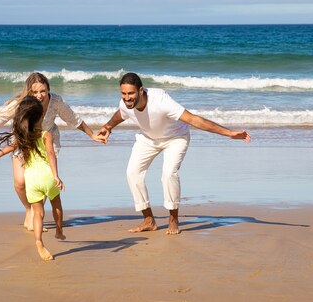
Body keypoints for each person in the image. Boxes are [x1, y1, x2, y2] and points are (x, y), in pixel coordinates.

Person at [97, 72, 251, 235]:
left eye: (131, 93)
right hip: (148, 139)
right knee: (132, 173)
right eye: (124, 94)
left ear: (141, 91)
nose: (127, 98)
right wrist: (107, 127)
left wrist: (229, 133)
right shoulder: (125, 103)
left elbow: (193, 119)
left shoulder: (161, 101)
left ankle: (173, 219)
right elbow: (120, 114)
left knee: (169, 174)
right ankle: (149, 220)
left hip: (176, 138)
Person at [0, 72, 105, 230]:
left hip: (46, 141)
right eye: (34, 92)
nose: (39, 95)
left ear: (48, 89)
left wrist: (92, 135)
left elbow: (73, 119)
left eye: (43, 91)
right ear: (28, 92)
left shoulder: (56, 101)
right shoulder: (20, 103)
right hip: (22, 140)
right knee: (20, 182)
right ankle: (29, 209)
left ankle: (36, 216)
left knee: (42, 180)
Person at [0, 96, 64, 261]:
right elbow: (51, 154)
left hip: (31, 179)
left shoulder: (23, 135)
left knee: (37, 213)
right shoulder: (45, 134)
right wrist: (56, 176)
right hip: (47, 176)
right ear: (41, 116)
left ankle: (38, 241)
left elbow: (11, 146)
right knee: (56, 204)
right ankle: (59, 231)